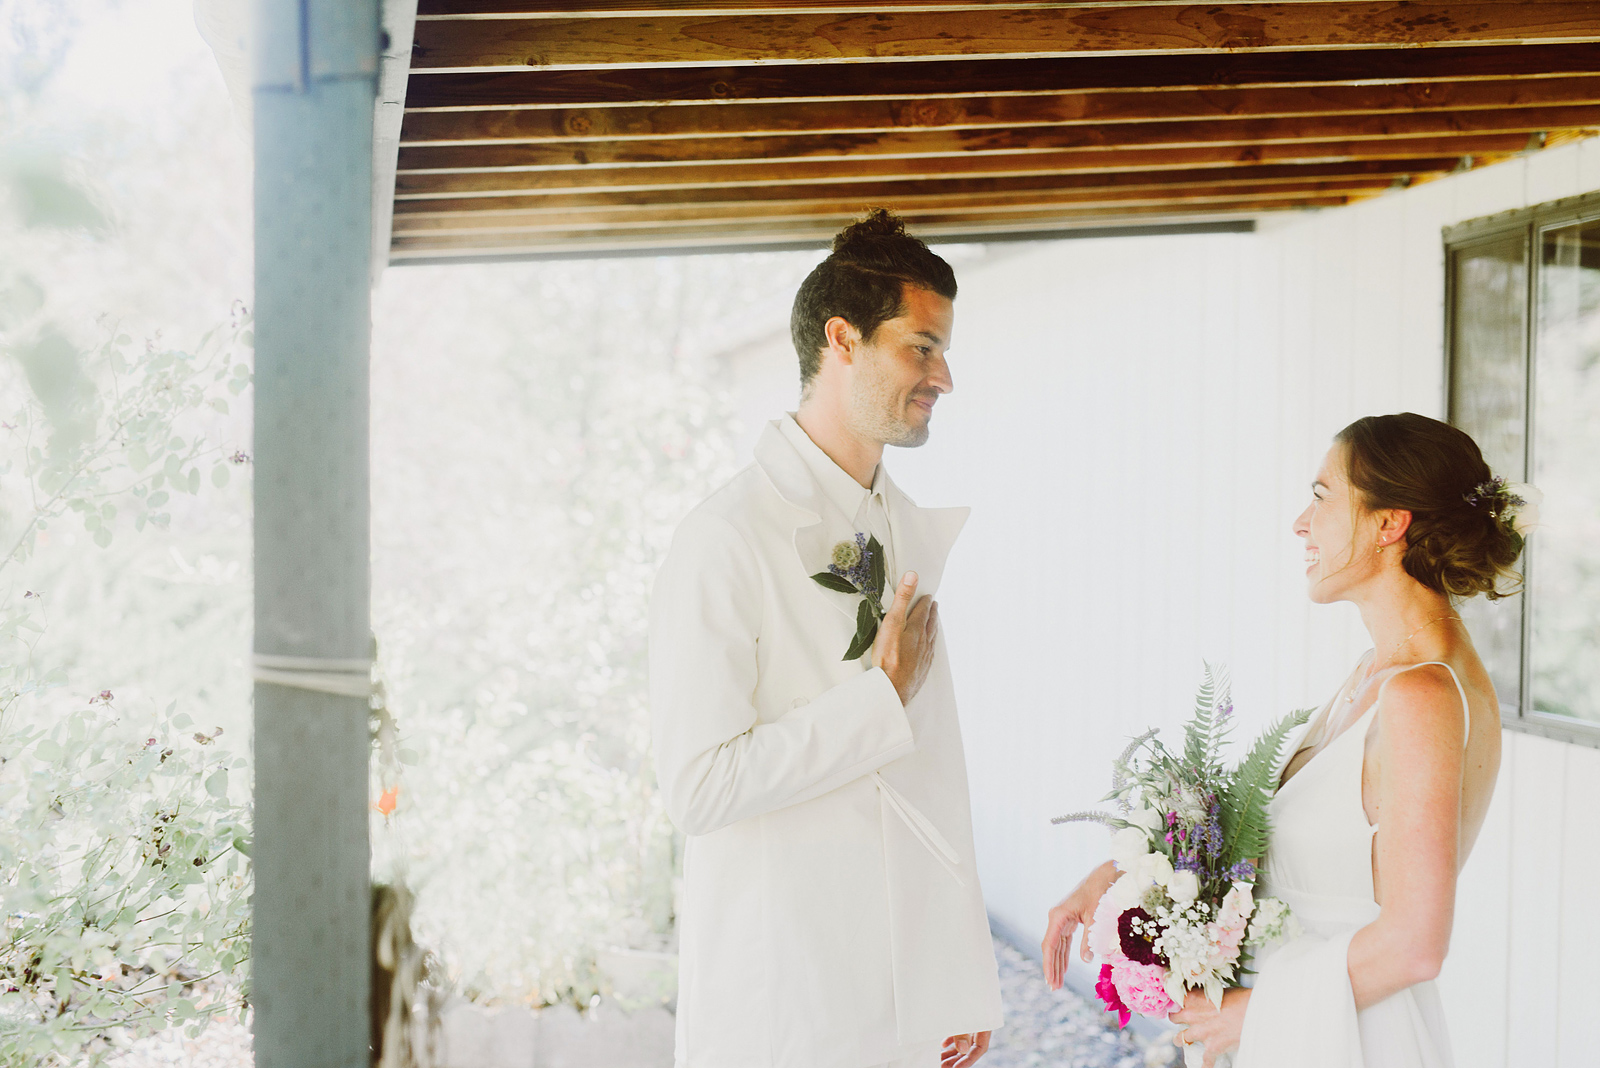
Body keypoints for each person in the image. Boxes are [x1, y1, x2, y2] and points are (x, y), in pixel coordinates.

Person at [1042, 412, 1527, 1067]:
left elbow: (1415, 942)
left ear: (1389, 523)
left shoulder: (1422, 694)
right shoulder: (1374, 673)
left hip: (1352, 1042)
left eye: (1323, 497)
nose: (1301, 522)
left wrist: (1258, 1011)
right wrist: (1124, 878)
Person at [649, 209, 1003, 1068]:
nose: (944, 376)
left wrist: (963, 971)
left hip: (905, 998)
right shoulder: (724, 539)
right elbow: (697, 788)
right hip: (785, 1002)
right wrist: (873, 700)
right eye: (921, 347)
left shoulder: (910, 535)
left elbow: (934, 775)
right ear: (842, 340)